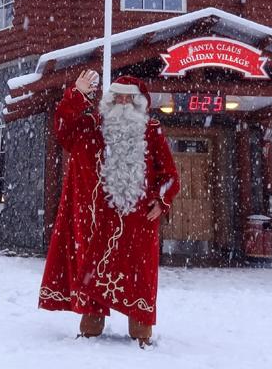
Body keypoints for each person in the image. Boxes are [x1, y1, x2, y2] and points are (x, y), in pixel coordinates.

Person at [38, 70, 180, 348]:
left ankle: (141, 330)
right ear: (109, 100)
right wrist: (76, 95)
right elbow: (63, 131)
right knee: (92, 269)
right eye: (118, 97)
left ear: (140, 103)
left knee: (138, 277)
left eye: (130, 99)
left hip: (137, 223)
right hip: (95, 222)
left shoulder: (151, 131)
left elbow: (170, 175)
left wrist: (161, 200)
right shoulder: (91, 125)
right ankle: (90, 326)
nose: (124, 103)